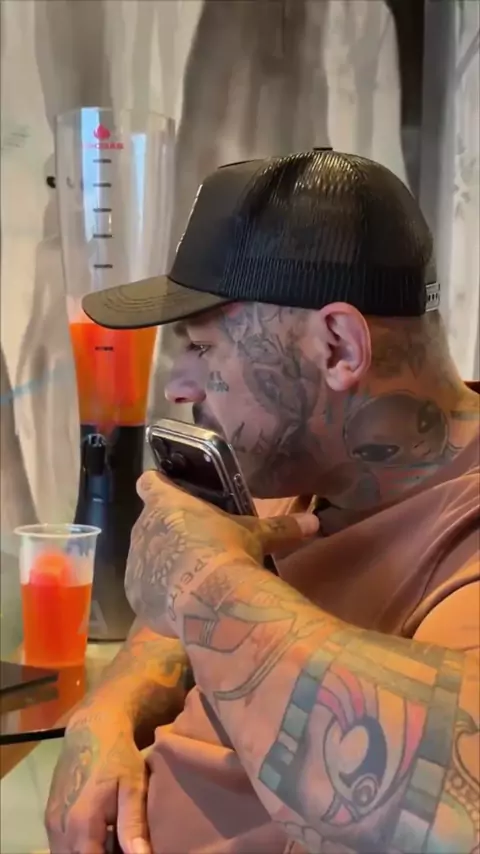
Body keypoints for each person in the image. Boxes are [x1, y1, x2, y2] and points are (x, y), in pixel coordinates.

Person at [46, 150, 480, 854]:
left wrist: (205, 582)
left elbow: (457, 810)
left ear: (338, 347)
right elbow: (179, 629)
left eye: (203, 347)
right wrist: (108, 710)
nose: (180, 386)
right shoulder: (302, 458)